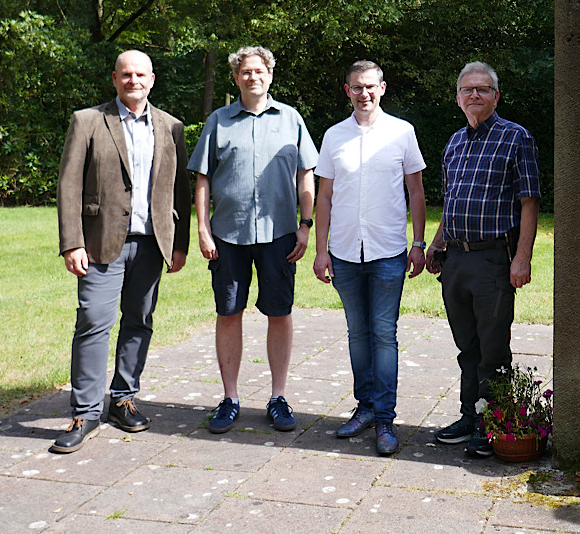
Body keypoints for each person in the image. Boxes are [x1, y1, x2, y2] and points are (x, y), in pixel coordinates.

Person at [54, 50, 190, 453]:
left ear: (152, 79)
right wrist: (72, 242)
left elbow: (179, 188)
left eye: (140, 74)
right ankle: (85, 411)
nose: (133, 80)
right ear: (115, 79)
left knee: (140, 320)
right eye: (126, 74)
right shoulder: (88, 121)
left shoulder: (171, 126)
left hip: (151, 243)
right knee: (94, 321)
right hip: (98, 243)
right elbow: (68, 185)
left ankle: (123, 398)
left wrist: (178, 244)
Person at [189, 46, 318, 434]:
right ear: (236, 77)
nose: (252, 77)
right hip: (228, 233)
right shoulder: (219, 121)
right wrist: (201, 227)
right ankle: (229, 398)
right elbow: (202, 178)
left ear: (270, 75)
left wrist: (306, 224)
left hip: (280, 234)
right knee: (229, 312)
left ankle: (278, 397)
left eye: (259, 70)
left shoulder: (291, 120)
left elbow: (306, 174)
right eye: (245, 71)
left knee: (279, 312)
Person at [426, 61, 541, 458]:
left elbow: (530, 202)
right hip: (456, 259)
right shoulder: (455, 143)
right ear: (458, 98)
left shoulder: (516, 138)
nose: (475, 94)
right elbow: (451, 201)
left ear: (496, 95)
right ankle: (469, 416)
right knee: (466, 346)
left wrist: (522, 258)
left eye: (483, 89)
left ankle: (493, 422)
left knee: (493, 348)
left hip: (495, 259)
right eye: (467, 89)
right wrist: (437, 243)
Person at [313, 60, 427, 456]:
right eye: (356, 88)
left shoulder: (402, 132)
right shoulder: (333, 136)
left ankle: (385, 419)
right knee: (356, 333)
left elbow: (416, 191)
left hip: (388, 251)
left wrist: (418, 242)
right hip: (344, 251)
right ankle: (363, 407)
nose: (364, 94)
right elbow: (324, 197)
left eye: (370, 87)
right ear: (347, 91)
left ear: (382, 88)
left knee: (383, 333)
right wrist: (320, 250)